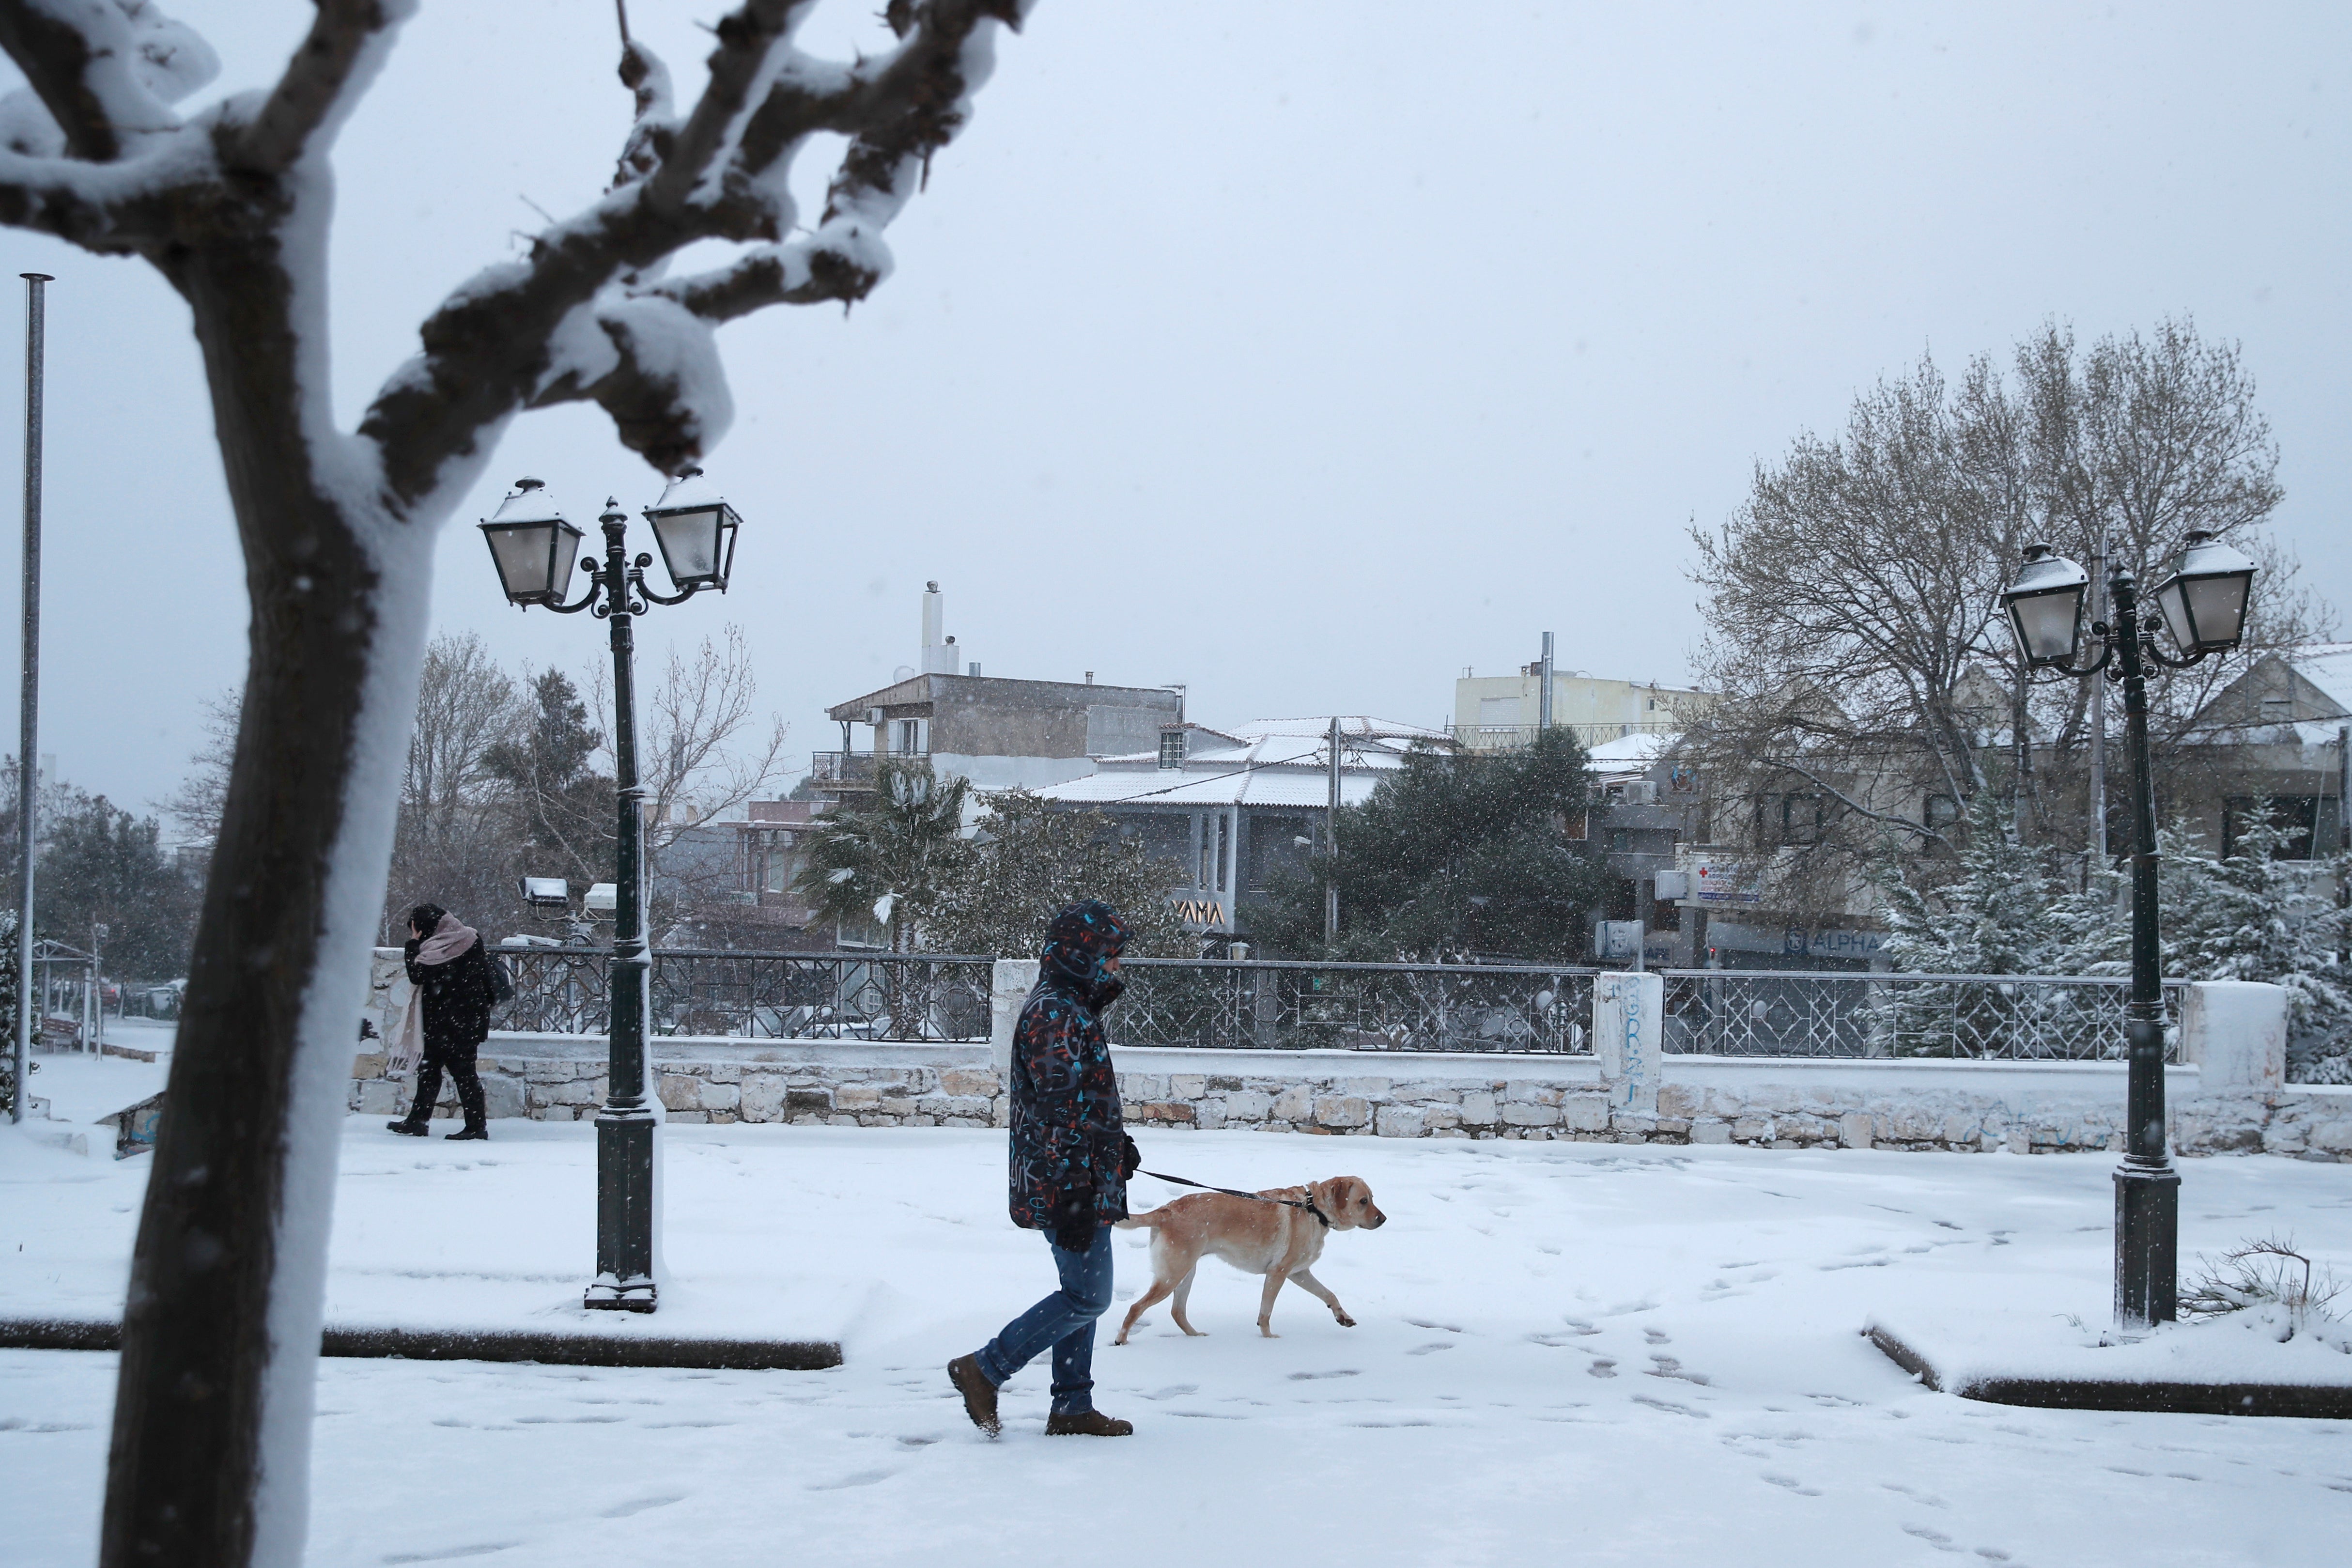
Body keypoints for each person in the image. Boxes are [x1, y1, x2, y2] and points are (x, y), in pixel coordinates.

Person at [949, 900, 1142, 1438]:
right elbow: (1058, 1114)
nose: (1116, 968)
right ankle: (984, 1369)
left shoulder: (1071, 1008)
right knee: (1087, 1296)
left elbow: (1082, 1101)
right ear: (1083, 956)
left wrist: (1115, 1147)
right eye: (1110, 957)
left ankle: (1072, 1406)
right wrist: (1078, 1187)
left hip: (1081, 1175)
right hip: (1064, 1181)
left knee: (1080, 1293)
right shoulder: (1055, 1013)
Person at [386, 904, 503, 1141]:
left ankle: (474, 1128)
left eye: (415, 928)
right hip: (464, 1021)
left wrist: (412, 944)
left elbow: (417, 974)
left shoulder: (439, 950)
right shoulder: (470, 939)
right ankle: (420, 1121)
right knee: (435, 1071)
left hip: (450, 1022)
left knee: (458, 1073)